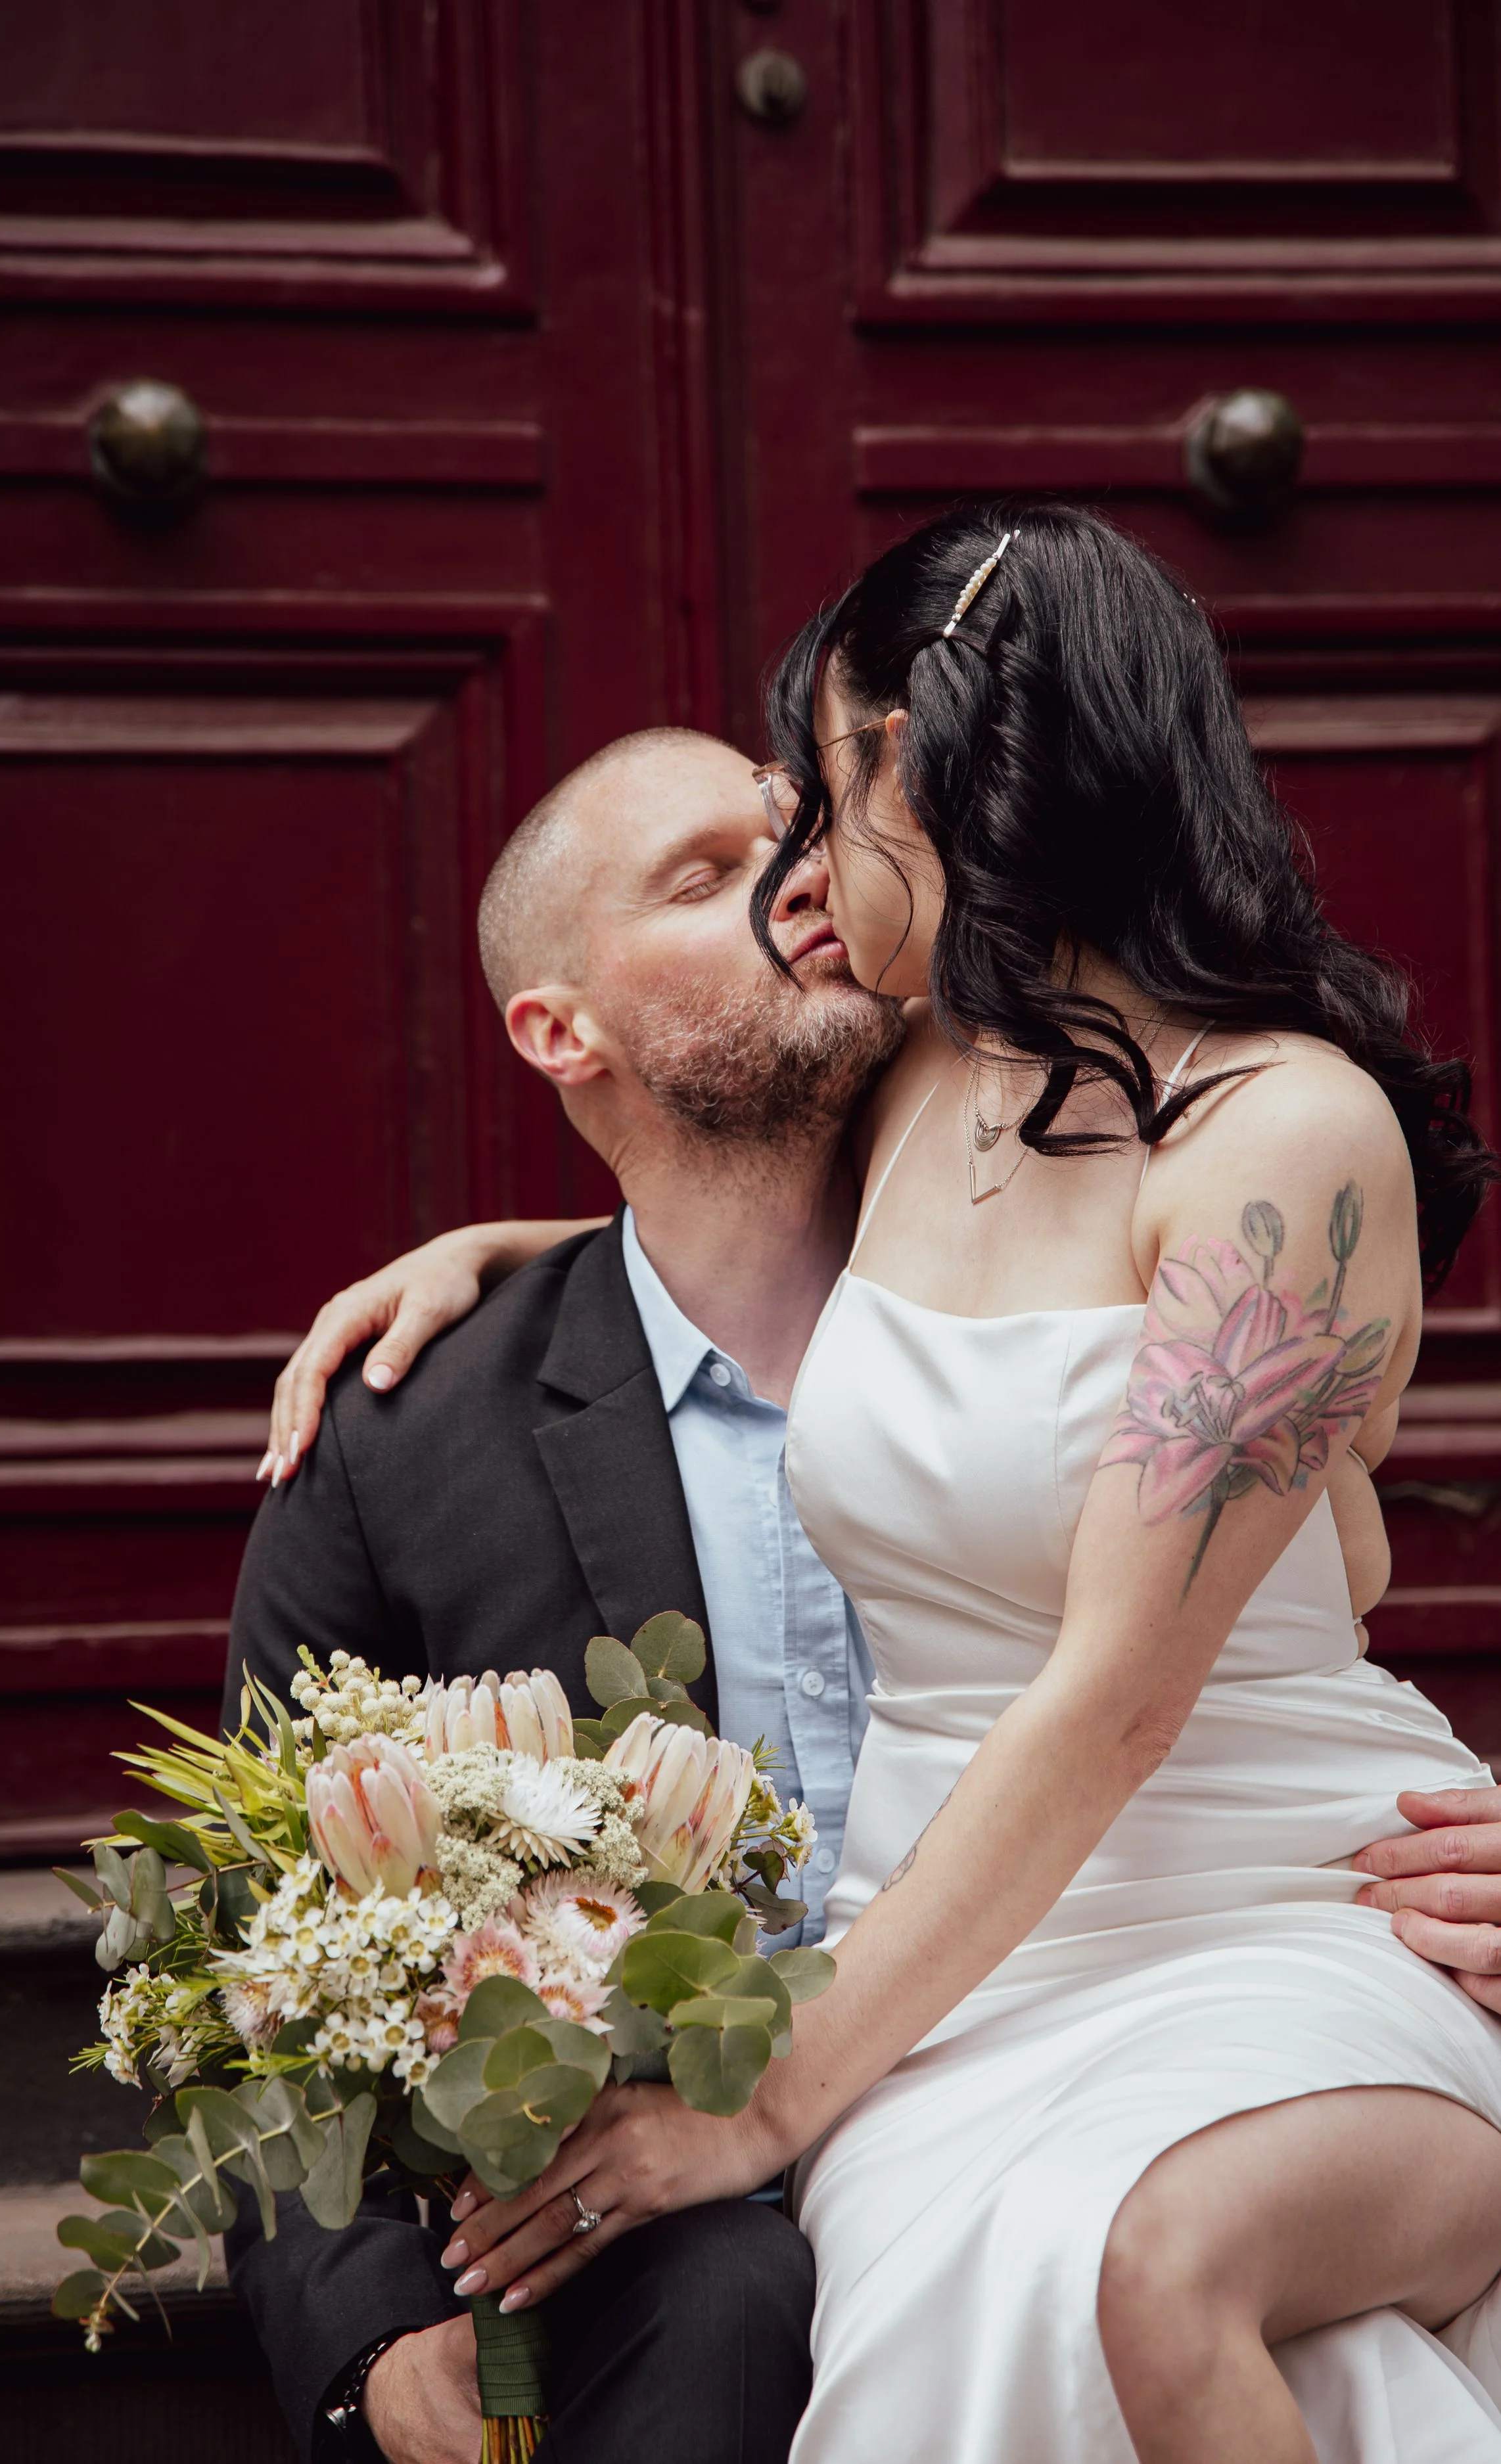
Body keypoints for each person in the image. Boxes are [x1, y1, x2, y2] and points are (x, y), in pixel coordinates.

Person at [281, 507, 1501, 2462]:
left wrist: (762, 2104)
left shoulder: (1284, 1135)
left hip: (1269, 1905)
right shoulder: (928, 1072)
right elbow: (731, 1184)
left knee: (1131, 2264)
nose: (796, 860)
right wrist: (514, 1258)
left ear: (916, 770)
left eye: (815, 789)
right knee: (993, 2290)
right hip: (960, 1983)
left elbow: (1113, 1690)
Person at [223, 728, 904, 2463]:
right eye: (703, 872)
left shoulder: (1038, 1354)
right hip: (635, 2203)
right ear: (554, 1029)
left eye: (798, 833)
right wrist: (367, 2335)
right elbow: (258, 1957)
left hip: (1021, 2086)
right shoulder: (397, 1438)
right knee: (722, 2299)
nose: (800, 874)